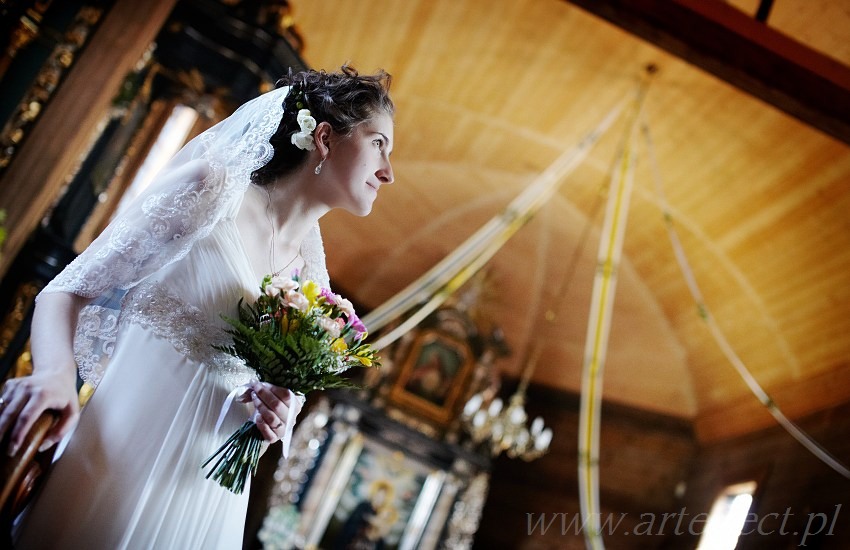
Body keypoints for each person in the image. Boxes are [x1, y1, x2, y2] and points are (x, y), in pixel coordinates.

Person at [0, 64, 395, 549]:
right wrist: (56, 375)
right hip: (119, 459)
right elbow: (66, 290)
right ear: (326, 139)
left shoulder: (311, 277)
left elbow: (264, 394)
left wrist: (275, 412)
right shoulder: (210, 189)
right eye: (379, 143)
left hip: (207, 499)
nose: (388, 172)